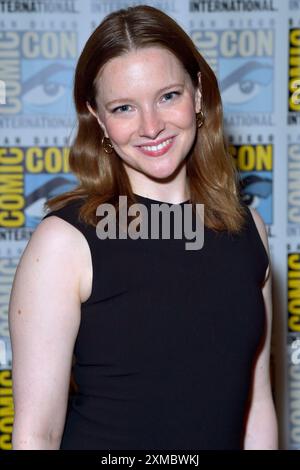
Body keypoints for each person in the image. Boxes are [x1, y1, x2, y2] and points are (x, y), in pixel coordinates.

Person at [9, 5, 278, 450]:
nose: (151, 126)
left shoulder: (248, 229)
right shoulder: (66, 242)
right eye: (124, 107)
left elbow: (257, 408)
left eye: (167, 96)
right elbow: (38, 433)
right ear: (98, 119)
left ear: (197, 92)